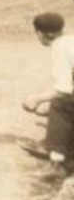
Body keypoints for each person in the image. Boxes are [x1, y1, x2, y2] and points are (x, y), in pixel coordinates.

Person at [22, 12, 74, 178]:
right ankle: (67, 155)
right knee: (61, 104)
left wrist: (36, 99)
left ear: (40, 34)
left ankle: (56, 165)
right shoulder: (70, 41)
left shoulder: (59, 48)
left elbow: (63, 90)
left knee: (61, 106)